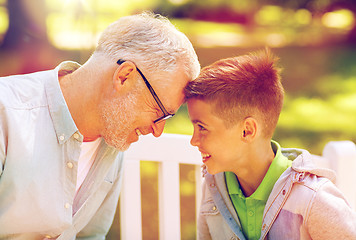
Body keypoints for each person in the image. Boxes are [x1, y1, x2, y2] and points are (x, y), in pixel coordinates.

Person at [0, 12, 200, 239]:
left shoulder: (114, 140)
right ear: (124, 77)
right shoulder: (6, 113)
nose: (157, 131)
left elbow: (91, 235)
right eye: (160, 113)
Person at [184, 49, 356, 240]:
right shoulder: (213, 185)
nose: (193, 140)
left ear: (247, 131)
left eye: (202, 127)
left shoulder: (315, 200)